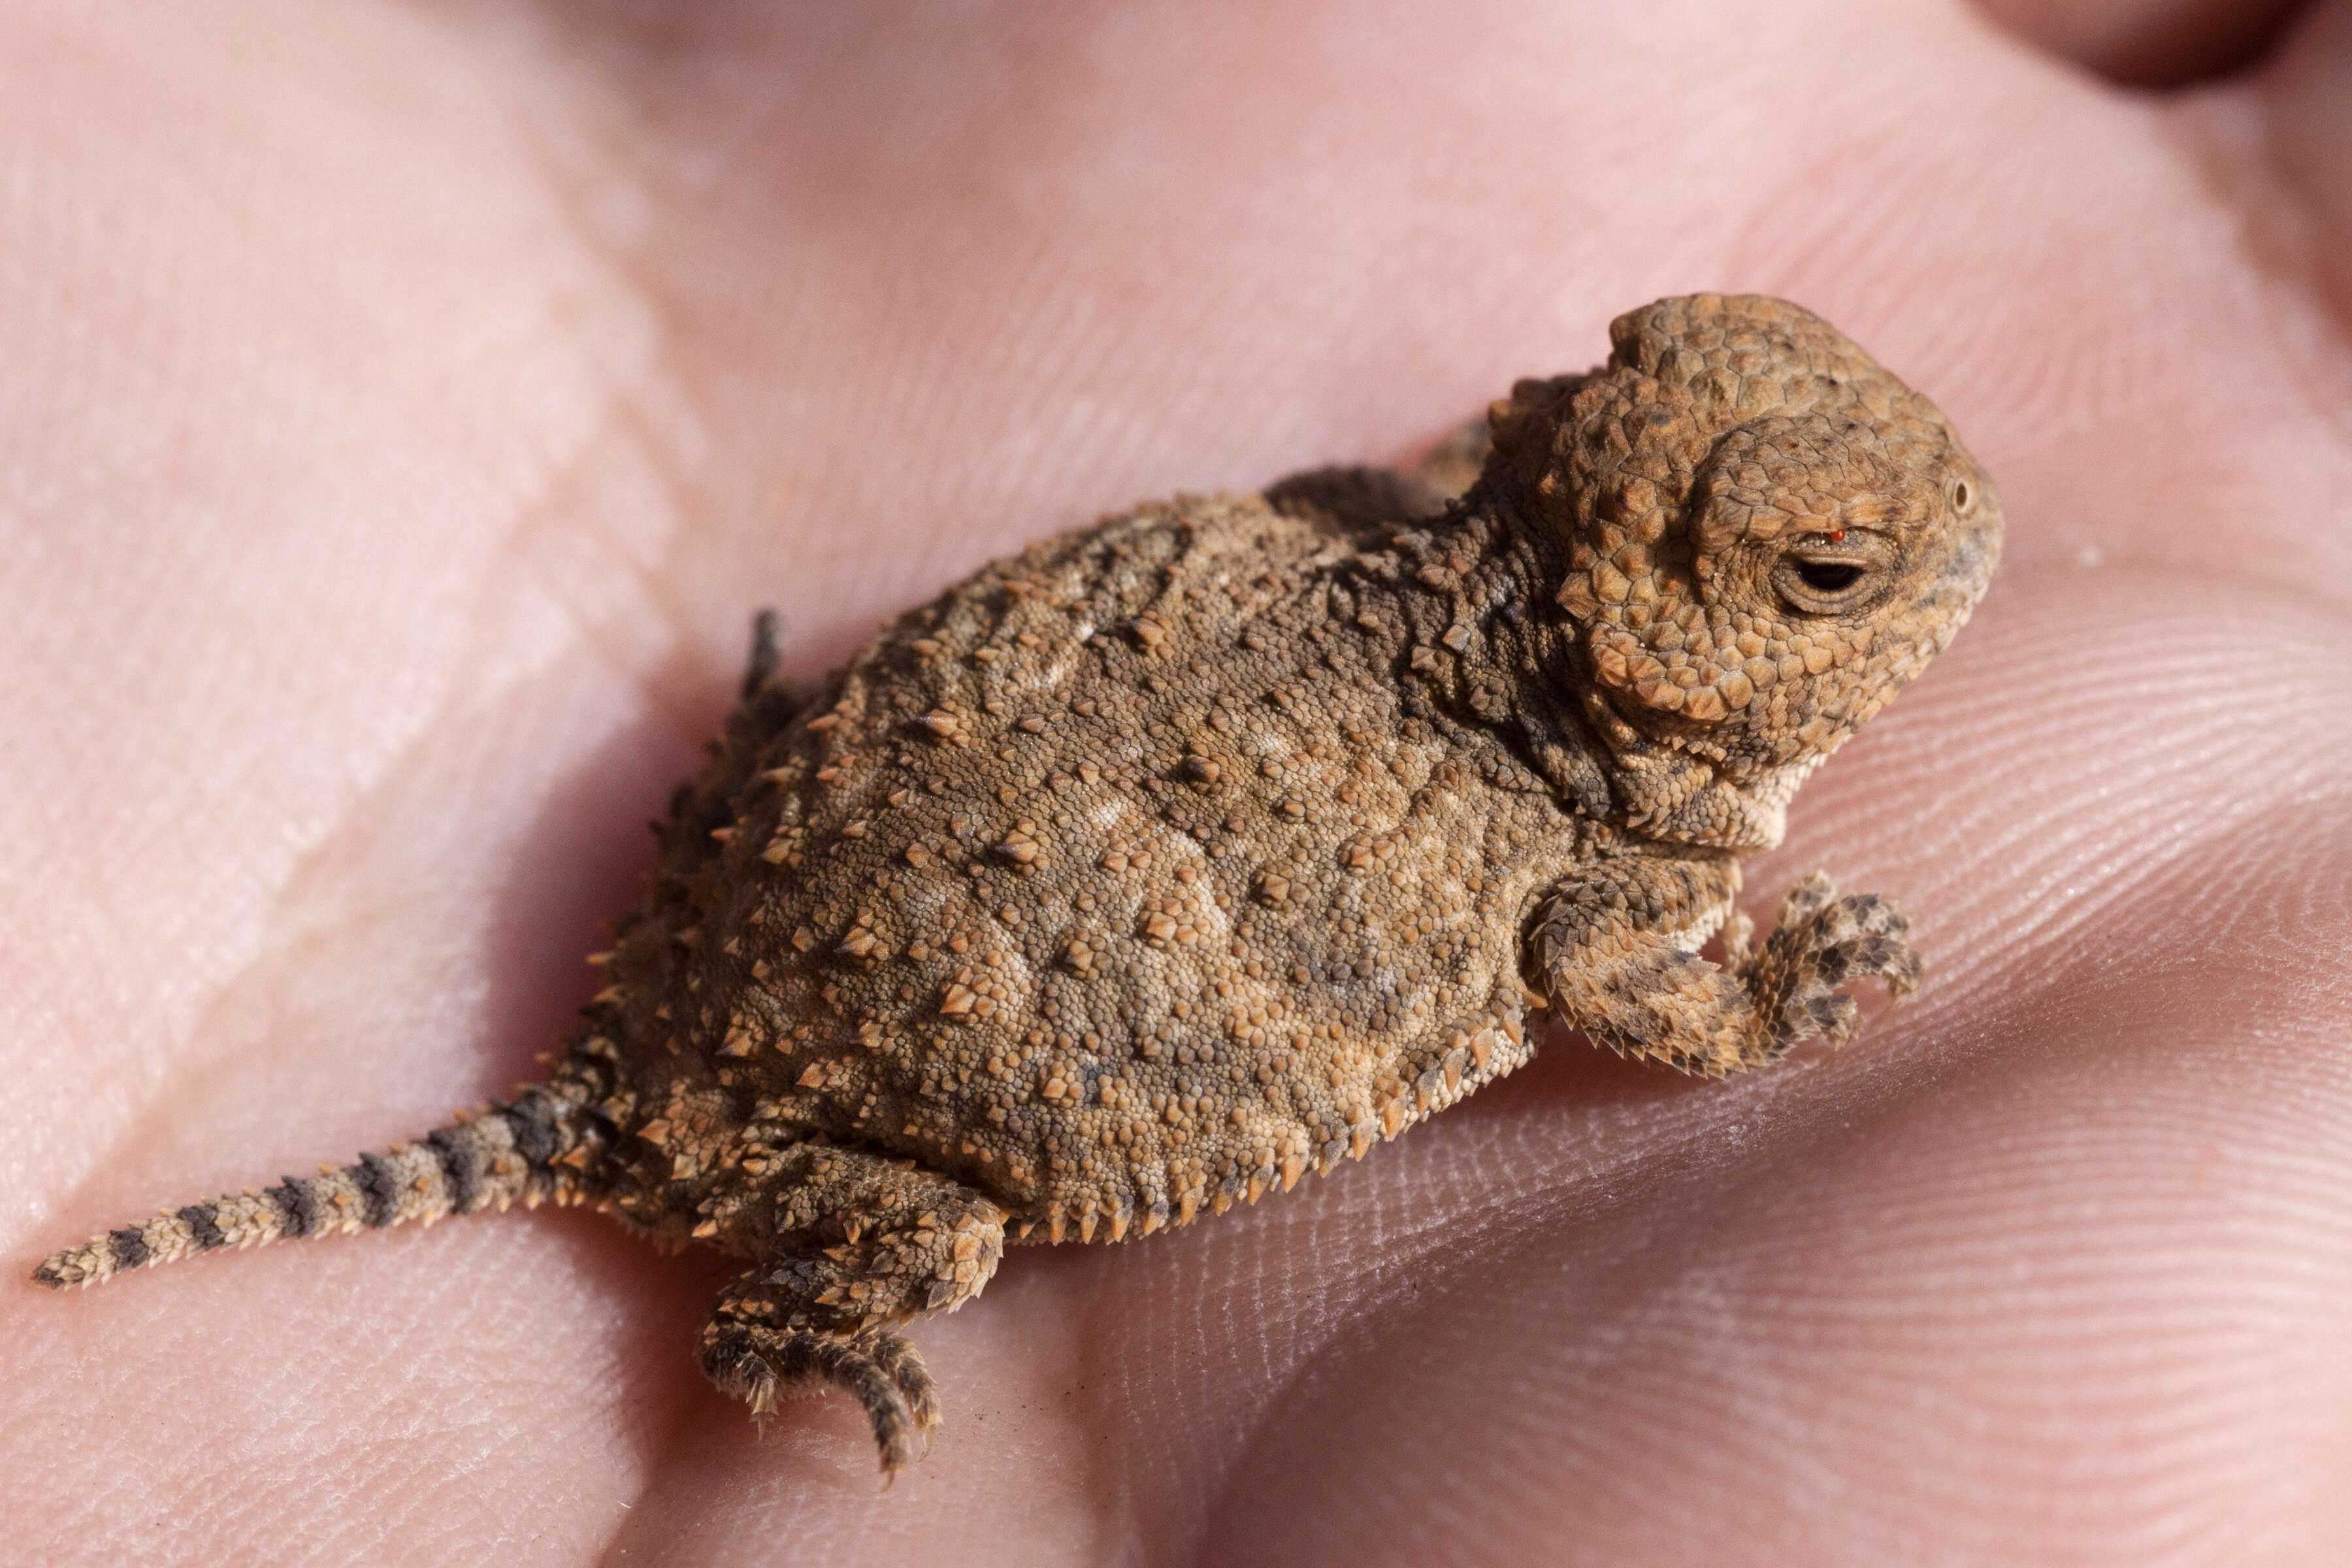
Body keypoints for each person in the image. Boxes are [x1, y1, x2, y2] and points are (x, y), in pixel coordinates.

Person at [4, 2, 2347, 1561]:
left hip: (792, 859)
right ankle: (794, 1293)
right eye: (1828, 571)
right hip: (865, 1121)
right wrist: (1794, 982)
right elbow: (1644, 996)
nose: (1921, 555)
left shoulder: (1373, 523)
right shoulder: (1606, 851)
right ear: (1644, 630)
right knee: (926, 1227)